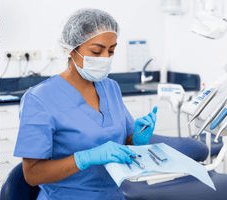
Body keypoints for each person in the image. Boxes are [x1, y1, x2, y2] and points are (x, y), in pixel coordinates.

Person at [14, 8, 157, 200]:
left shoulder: (110, 87)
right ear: (70, 48)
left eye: (111, 51)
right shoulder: (40, 99)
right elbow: (32, 174)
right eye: (96, 51)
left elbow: (122, 145)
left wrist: (136, 140)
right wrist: (84, 158)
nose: (105, 58)